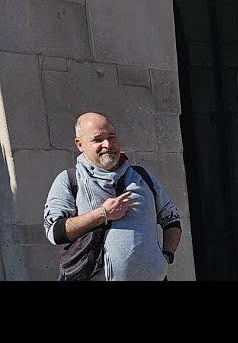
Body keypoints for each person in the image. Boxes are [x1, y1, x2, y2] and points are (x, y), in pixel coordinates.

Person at [43, 112, 182, 281]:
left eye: (112, 137)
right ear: (79, 144)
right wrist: (102, 214)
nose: (107, 144)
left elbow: (172, 220)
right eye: (97, 139)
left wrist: (166, 257)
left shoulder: (143, 177)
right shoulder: (69, 180)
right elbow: (55, 232)